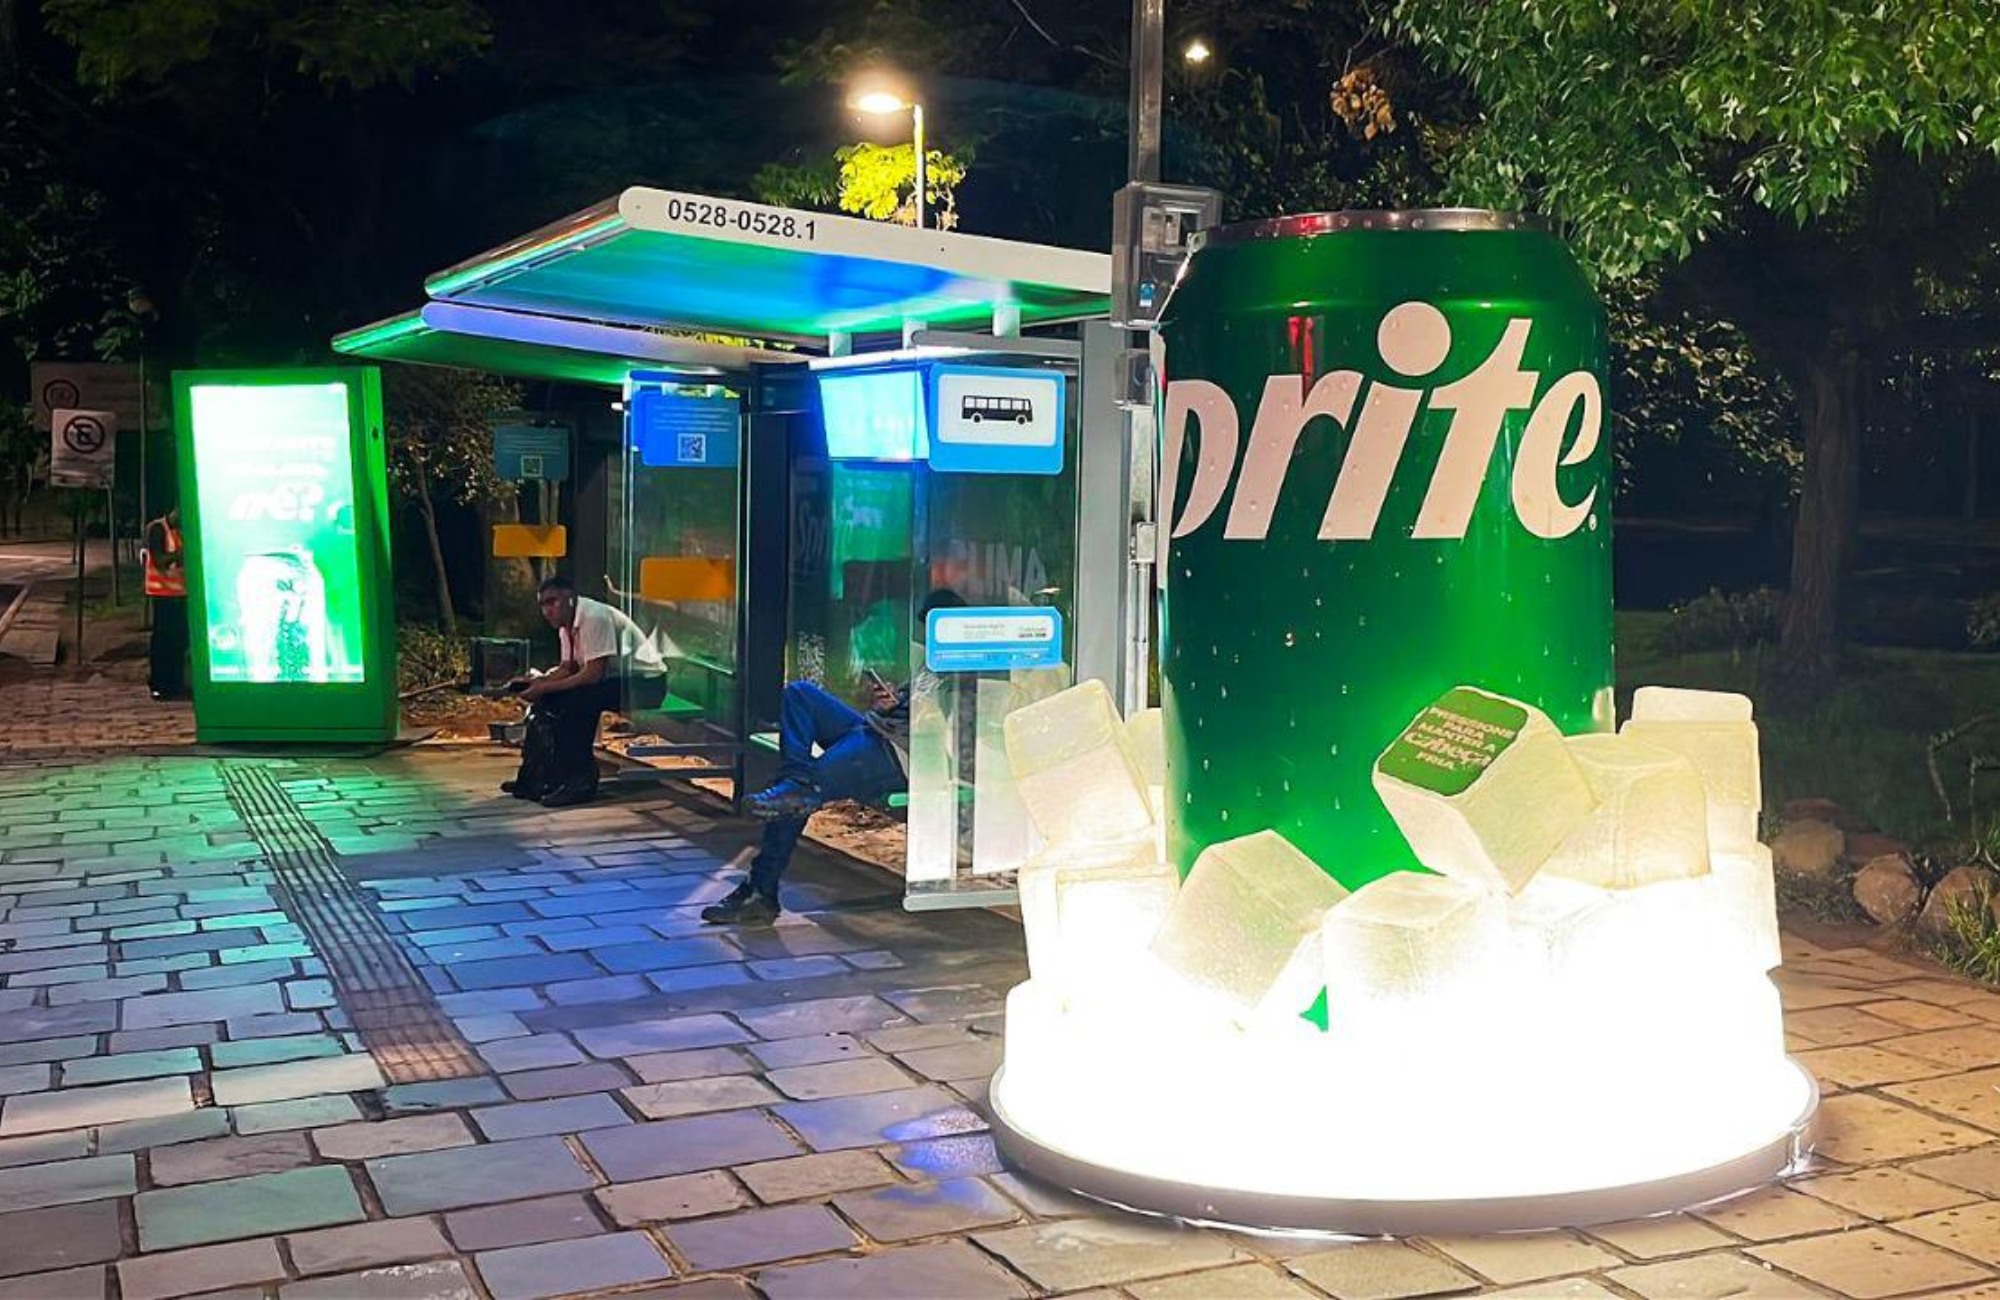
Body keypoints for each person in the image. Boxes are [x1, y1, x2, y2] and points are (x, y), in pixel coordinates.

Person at [703, 589, 965, 926]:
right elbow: (906, 709)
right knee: (800, 694)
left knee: (797, 796)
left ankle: (761, 888)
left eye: (934, 631)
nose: (928, 641)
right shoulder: (931, 664)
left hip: (900, 755)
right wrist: (891, 702)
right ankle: (796, 780)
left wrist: (919, 715)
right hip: (876, 730)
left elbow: (952, 735)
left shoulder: (967, 672)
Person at [505, 575, 668, 808]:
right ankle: (537, 777)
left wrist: (545, 687)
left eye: (552, 602)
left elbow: (593, 674)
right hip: (617, 680)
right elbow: (567, 668)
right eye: (543, 605)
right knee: (549, 702)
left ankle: (579, 781)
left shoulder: (594, 618)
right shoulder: (566, 626)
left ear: (570, 598)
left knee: (577, 702)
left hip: (646, 684)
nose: (547, 611)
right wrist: (538, 683)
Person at [143, 505, 187, 700]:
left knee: (179, 640)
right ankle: (159, 684)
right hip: (162, 594)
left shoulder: (179, 532)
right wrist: (182, 555)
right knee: (163, 641)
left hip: (180, 594)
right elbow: (159, 560)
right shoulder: (157, 529)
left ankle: (175, 684)